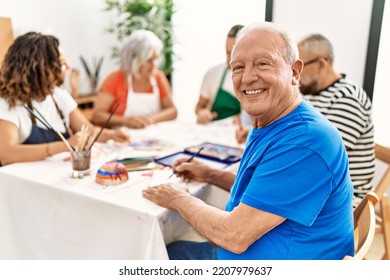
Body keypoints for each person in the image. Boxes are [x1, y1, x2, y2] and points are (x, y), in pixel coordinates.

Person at [143, 22, 354, 260]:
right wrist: (211, 174)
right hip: (260, 249)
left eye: (262, 63)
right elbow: (264, 192)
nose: (247, 78)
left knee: (151, 253)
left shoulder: (306, 141)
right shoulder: (273, 121)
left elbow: (234, 235)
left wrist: (177, 198)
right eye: (238, 67)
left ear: (294, 71)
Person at [0, 32, 130, 166]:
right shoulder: (7, 102)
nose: (68, 67)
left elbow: (87, 130)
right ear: (40, 68)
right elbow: (7, 154)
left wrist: (112, 135)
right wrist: (64, 146)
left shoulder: (58, 94)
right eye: (61, 63)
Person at [298, 33, 375, 208]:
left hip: (343, 195)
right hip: (319, 186)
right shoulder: (313, 94)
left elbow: (323, 158)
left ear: (321, 64)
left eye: (301, 66)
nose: (296, 74)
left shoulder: (348, 98)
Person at [92, 29, 177, 129]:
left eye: (156, 59)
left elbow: (172, 111)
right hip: (120, 138)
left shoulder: (158, 78)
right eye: (149, 60)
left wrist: (149, 120)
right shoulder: (115, 79)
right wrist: (125, 121)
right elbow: (97, 116)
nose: (154, 64)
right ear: (134, 60)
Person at [195, 24, 243, 124]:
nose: (230, 58)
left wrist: (245, 119)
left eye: (234, 53)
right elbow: (199, 107)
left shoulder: (253, 79)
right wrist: (202, 113)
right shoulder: (212, 74)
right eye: (227, 52)